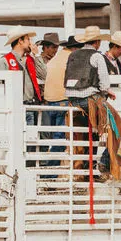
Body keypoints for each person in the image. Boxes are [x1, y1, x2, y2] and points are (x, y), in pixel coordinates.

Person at [65, 26, 114, 173]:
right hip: (88, 100)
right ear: (97, 42)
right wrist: (107, 92)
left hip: (72, 100)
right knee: (113, 125)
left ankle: (86, 166)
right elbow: (104, 84)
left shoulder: (72, 55)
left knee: (86, 134)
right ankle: (104, 162)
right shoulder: (97, 56)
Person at [0, 27, 47, 165]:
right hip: (16, 106)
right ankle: (21, 167)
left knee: (32, 140)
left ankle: (28, 167)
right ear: (20, 41)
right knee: (20, 140)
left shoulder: (30, 59)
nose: (31, 42)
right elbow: (0, 87)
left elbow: (44, 75)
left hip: (31, 105)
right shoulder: (5, 61)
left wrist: (37, 56)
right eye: (28, 39)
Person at [42, 35, 82, 172]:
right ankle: (50, 173)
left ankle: (46, 170)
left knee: (50, 138)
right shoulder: (72, 58)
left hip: (49, 100)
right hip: (62, 100)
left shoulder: (56, 58)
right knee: (60, 138)